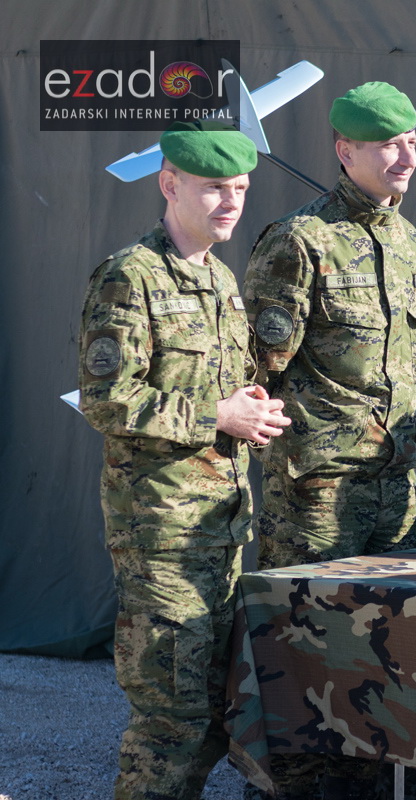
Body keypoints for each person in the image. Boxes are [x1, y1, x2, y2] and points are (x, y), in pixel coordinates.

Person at [78, 122, 290, 800]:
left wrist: (249, 410)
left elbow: (216, 387)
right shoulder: (129, 278)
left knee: (208, 722)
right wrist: (218, 416)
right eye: (213, 189)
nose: (230, 203)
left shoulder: (222, 279)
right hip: (161, 537)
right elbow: (108, 400)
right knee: (171, 722)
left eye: (240, 189)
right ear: (170, 185)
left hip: (220, 533)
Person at [242, 81, 416, 800]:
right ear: (344, 150)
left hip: (396, 492)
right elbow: (254, 375)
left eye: (412, 140)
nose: (405, 155)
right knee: (308, 653)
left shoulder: (413, 247)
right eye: (388, 143)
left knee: (386, 651)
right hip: (319, 499)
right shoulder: (300, 243)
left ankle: (374, 782)